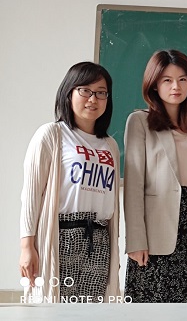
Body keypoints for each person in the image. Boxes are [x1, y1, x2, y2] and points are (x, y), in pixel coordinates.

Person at [20, 62, 120, 303]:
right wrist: (27, 246)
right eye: (85, 90)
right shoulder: (51, 135)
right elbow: (31, 195)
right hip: (61, 236)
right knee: (55, 311)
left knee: (94, 313)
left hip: (98, 239)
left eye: (101, 93)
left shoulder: (110, 145)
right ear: (69, 93)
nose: (93, 99)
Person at [124, 50, 187, 303]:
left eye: (183, 79)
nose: (176, 86)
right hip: (154, 237)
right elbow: (133, 187)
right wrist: (136, 241)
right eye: (167, 80)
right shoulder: (139, 121)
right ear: (154, 84)